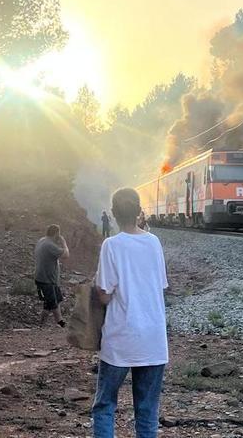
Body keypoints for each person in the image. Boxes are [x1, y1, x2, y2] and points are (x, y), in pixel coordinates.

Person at [92, 188, 168, 438]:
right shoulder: (154, 242)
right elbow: (160, 286)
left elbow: (104, 295)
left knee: (105, 405)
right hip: (153, 339)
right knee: (146, 411)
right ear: (139, 212)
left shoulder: (111, 245)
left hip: (121, 338)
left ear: (113, 214)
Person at [34, 224, 69, 327]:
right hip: (46, 280)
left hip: (49, 279)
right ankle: (60, 323)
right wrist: (64, 243)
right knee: (52, 303)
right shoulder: (49, 245)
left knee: (54, 301)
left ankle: (43, 324)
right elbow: (66, 255)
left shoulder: (42, 240)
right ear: (56, 233)